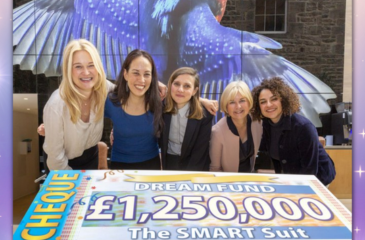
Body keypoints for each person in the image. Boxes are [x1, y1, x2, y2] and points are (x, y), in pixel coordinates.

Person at [43, 39, 113, 170]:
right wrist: (74, 183)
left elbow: (127, 93)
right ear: (69, 70)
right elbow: (56, 160)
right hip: (61, 164)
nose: (86, 72)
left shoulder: (103, 88)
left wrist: (156, 85)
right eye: (78, 66)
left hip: (91, 158)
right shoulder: (56, 105)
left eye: (91, 65)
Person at [251, 77, 336, 186]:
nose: (268, 104)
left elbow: (309, 170)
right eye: (263, 102)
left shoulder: (303, 127)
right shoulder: (265, 125)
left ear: (283, 100)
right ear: (259, 106)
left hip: (318, 178)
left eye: (274, 99)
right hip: (291, 177)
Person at [105, 49, 164, 170]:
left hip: (151, 166)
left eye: (147, 74)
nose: (141, 80)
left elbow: (182, 96)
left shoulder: (159, 102)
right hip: (119, 167)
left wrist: (202, 100)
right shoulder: (111, 101)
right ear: (125, 74)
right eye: (136, 73)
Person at [160, 67, 213, 171]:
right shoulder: (160, 108)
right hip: (168, 163)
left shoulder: (205, 114)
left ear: (194, 91)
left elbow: (200, 151)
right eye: (176, 84)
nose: (180, 89)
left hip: (195, 164)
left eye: (187, 86)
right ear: (170, 85)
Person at [209, 81, 263, 172]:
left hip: (251, 180)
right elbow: (215, 169)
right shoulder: (217, 132)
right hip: (228, 182)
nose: (238, 106)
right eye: (232, 102)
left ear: (249, 102)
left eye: (242, 100)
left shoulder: (257, 121)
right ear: (226, 106)